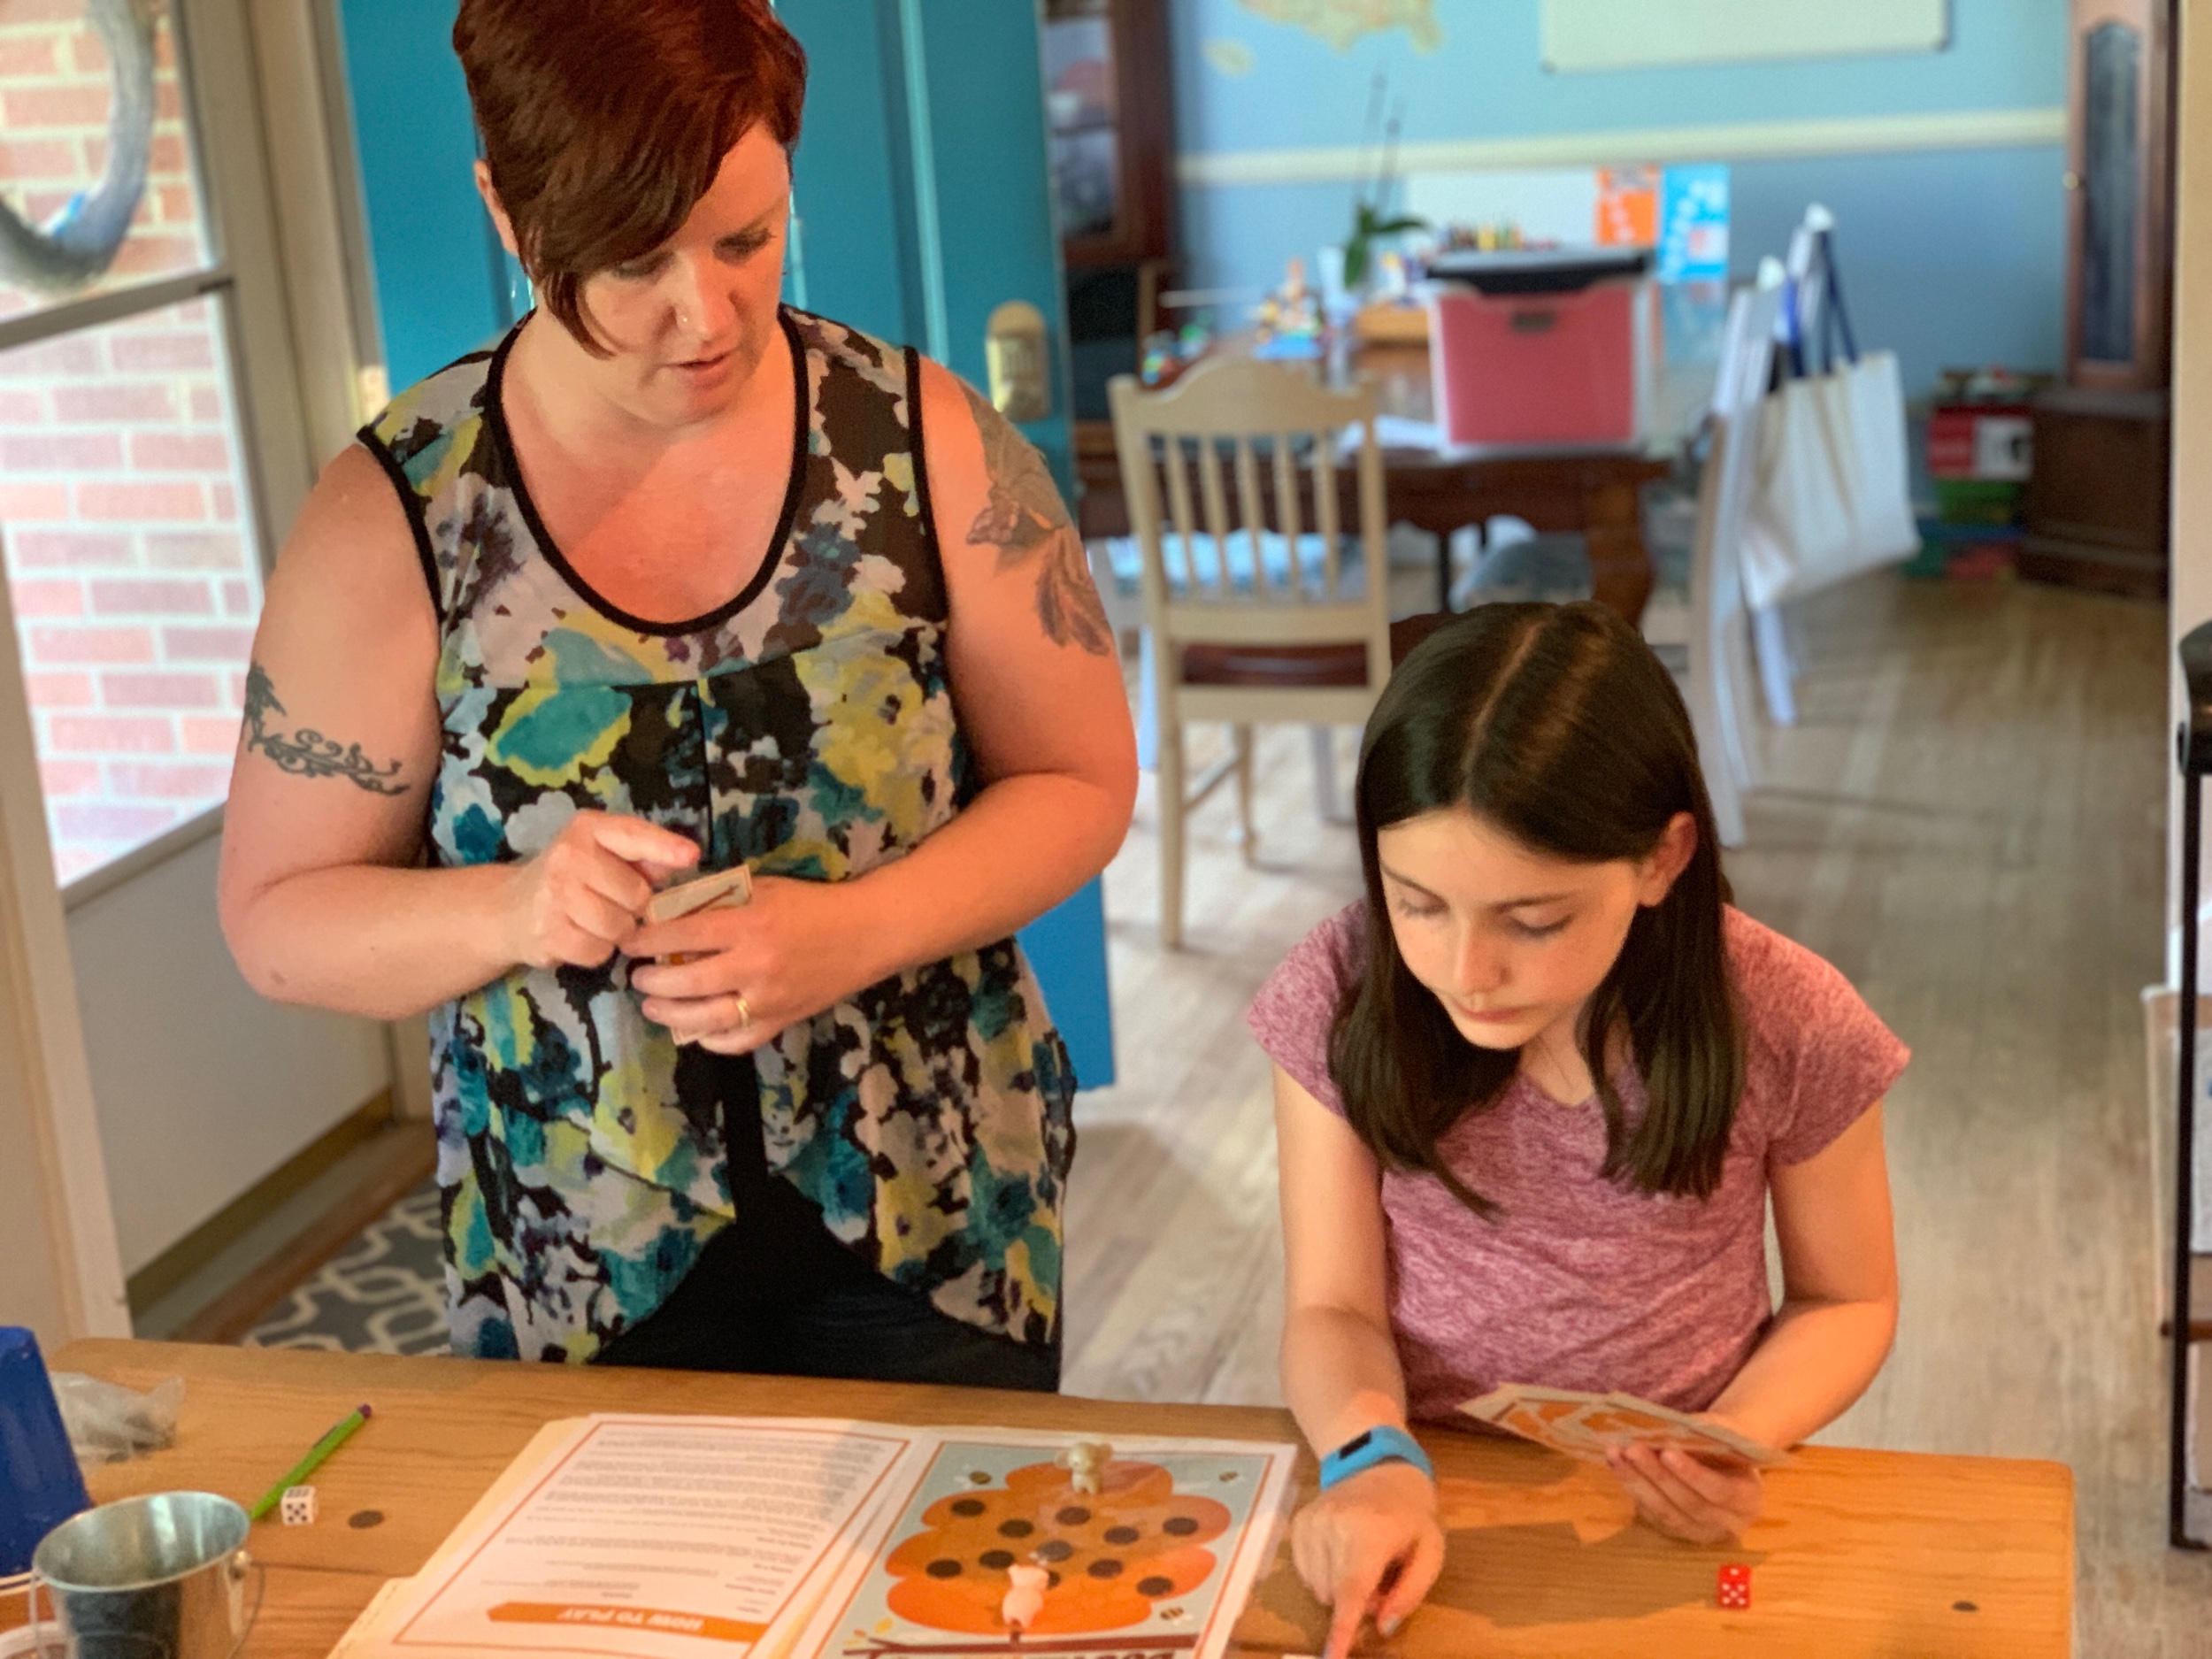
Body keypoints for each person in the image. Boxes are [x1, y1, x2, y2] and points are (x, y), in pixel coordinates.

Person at [217, 0, 1135, 1390]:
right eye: (632, 259)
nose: (704, 314)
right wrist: (514, 905)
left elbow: (1079, 780)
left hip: (940, 1213)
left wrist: (852, 930)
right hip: (576, 1259)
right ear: (508, 213)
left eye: (747, 238)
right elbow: (279, 923)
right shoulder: (396, 514)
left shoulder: (925, 437)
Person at [1248, 603, 1902, 1655]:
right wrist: (1369, 1459)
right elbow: (1331, 1303)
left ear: (1662, 857)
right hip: (1411, 1462)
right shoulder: (1341, 985)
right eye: (1415, 903)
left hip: (1688, 1482)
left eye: (1534, 920)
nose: (1466, 972)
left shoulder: (1788, 1017)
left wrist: (1733, 1443)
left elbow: (1846, 1296)